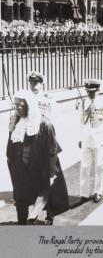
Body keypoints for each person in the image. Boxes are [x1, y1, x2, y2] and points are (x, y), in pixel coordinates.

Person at [6, 90, 68, 225]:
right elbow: (10, 148)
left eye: (20, 105)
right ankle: (22, 225)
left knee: (43, 196)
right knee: (21, 200)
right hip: (21, 170)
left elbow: (52, 150)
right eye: (15, 105)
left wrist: (51, 172)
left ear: (29, 105)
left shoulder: (44, 124)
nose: (17, 108)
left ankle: (49, 215)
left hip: (39, 169)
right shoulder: (15, 122)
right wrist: (12, 166)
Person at [79, 79, 103, 203]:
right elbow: (80, 123)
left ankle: (98, 191)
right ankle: (83, 194)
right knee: (84, 167)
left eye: (93, 92)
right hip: (86, 140)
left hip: (101, 141)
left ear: (98, 90)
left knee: (99, 167)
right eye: (88, 91)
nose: (90, 94)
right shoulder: (83, 102)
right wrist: (80, 138)